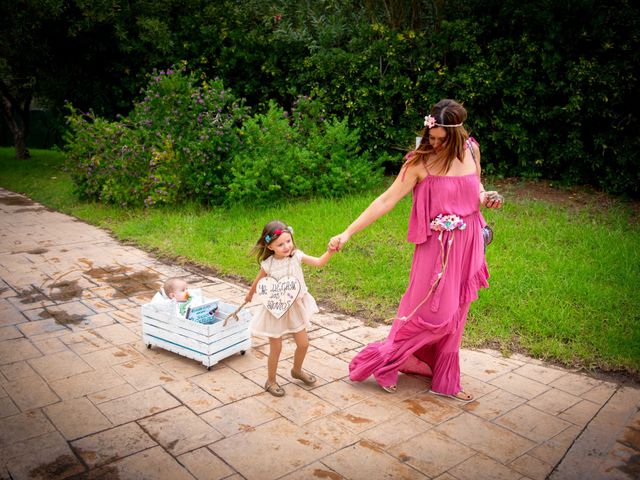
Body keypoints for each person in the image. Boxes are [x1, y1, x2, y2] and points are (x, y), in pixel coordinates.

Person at [329, 99, 503, 402]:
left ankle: (446, 379)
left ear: (458, 134)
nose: (434, 144)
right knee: (431, 311)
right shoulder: (419, 163)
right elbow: (386, 200)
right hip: (436, 249)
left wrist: (486, 197)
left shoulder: (472, 150)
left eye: (441, 140)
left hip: (469, 241)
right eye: (430, 137)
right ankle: (388, 361)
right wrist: (348, 232)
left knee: (458, 312)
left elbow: (476, 188)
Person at [246, 220, 335, 397]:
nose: (286, 246)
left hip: (294, 307)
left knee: (303, 344)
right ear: (270, 246)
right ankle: (270, 381)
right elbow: (258, 281)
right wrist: (250, 294)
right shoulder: (268, 264)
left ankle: (296, 370)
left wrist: (330, 251)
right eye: (280, 244)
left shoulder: (296, 256)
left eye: (288, 241)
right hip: (275, 310)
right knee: (276, 348)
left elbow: (318, 262)